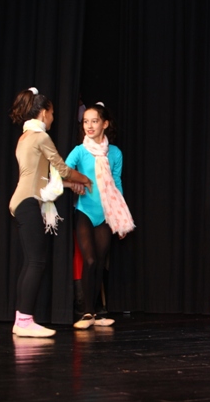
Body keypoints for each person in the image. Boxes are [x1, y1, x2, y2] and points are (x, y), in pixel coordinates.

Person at [9, 87, 92, 338]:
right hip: (27, 202)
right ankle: (24, 321)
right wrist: (85, 179)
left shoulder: (25, 137)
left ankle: (21, 319)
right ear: (44, 112)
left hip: (23, 200)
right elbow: (62, 169)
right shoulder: (40, 137)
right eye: (52, 113)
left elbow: (44, 179)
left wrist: (70, 185)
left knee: (30, 262)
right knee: (36, 262)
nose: (53, 118)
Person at [65, 102, 135, 329]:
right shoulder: (79, 151)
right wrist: (74, 182)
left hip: (106, 213)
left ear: (105, 124)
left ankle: (94, 312)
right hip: (85, 211)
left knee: (99, 263)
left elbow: (117, 184)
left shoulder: (115, 153)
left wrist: (121, 220)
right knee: (90, 260)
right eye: (86, 121)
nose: (89, 126)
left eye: (94, 121)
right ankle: (87, 312)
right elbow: (61, 171)